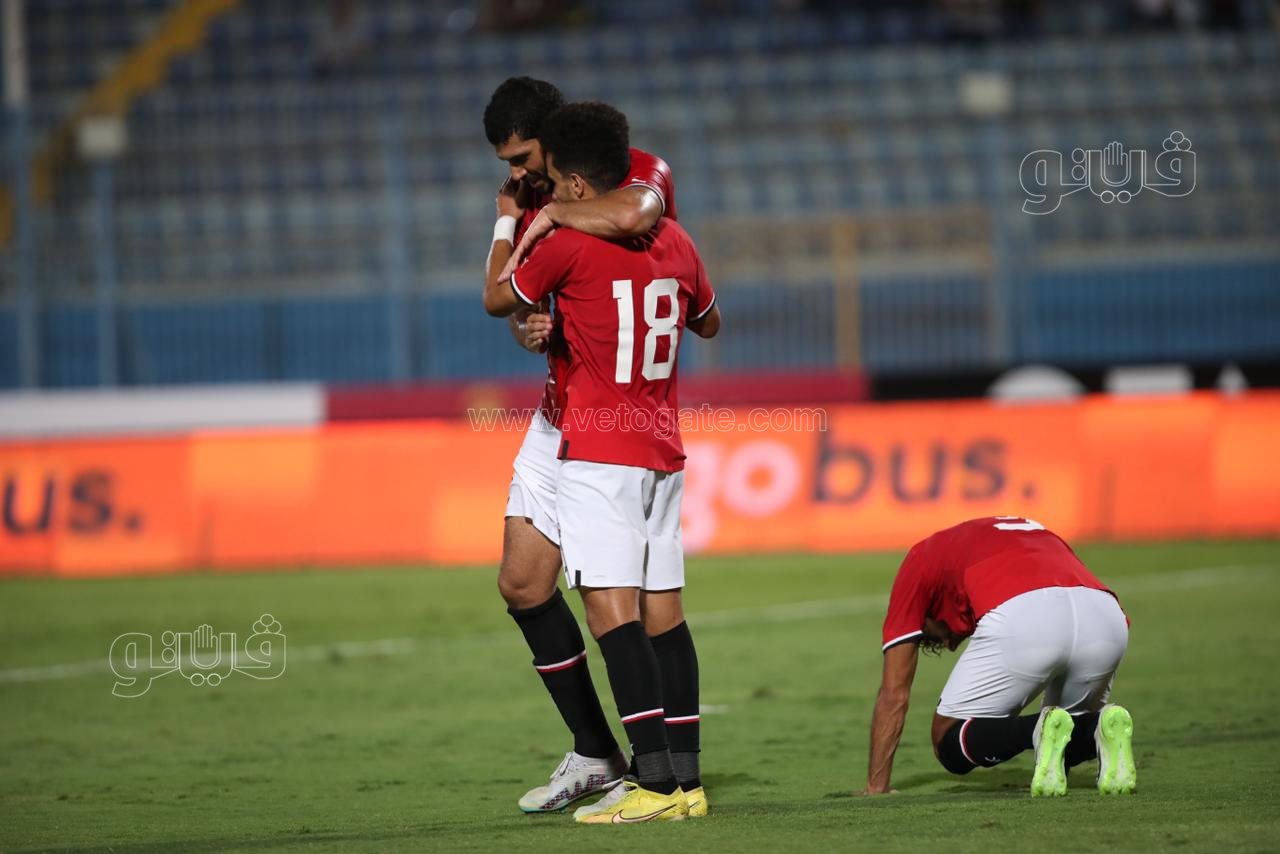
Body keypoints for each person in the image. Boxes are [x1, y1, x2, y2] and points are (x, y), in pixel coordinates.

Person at [484, 101, 720, 823]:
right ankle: (682, 784)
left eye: (537, 170)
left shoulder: (574, 230)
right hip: (659, 443)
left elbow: (497, 294)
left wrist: (522, 225)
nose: (532, 184)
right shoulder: (678, 239)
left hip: (596, 444)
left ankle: (653, 785)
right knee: (658, 609)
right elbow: (707, 320)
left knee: (612, 615)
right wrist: (551, 327)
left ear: (573, 177)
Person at [864, 516, 1136, 798]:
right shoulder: (1027, 530)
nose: (948, 645)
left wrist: (876, 787)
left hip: (1026, 613)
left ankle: (1035, 729)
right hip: (1106, 617)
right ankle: (1098, 729)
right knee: (1072, 725)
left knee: (947, 738)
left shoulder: (920, 557)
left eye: (930, 637)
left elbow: (895, 694)